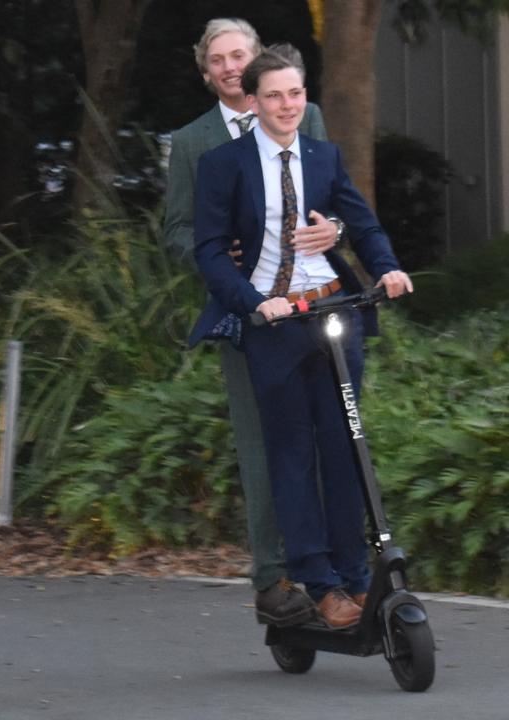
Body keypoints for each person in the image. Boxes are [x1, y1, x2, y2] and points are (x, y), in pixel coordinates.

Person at [190, 46, 413, 628]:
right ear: (254, 102)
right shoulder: (224, 164)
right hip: (274, 322)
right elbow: (209, 251)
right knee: (292, 455)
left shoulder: (322, 155)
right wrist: (253, 302)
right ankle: (319, 582)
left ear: (304, 97)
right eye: (273, 96)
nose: (286, 105)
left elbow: (358, 221)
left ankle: (357, 579)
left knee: (344, 447)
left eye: (294, 93)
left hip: (331, 309)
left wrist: (386, 267)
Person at [164, 18, 340, 627]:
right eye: (218, 59)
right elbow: (177, 231)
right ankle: (273, 579)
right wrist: (216, 256)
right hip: (245, 315)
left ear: (258, 57)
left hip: (315, 306)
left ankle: (335, 572)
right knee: (264, 444)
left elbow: (334, 195)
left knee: (332, 435)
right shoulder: (193, 143)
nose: (231, 65)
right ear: (206, 71)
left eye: (240, 54)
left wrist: (336, 228)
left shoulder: (302, 114)